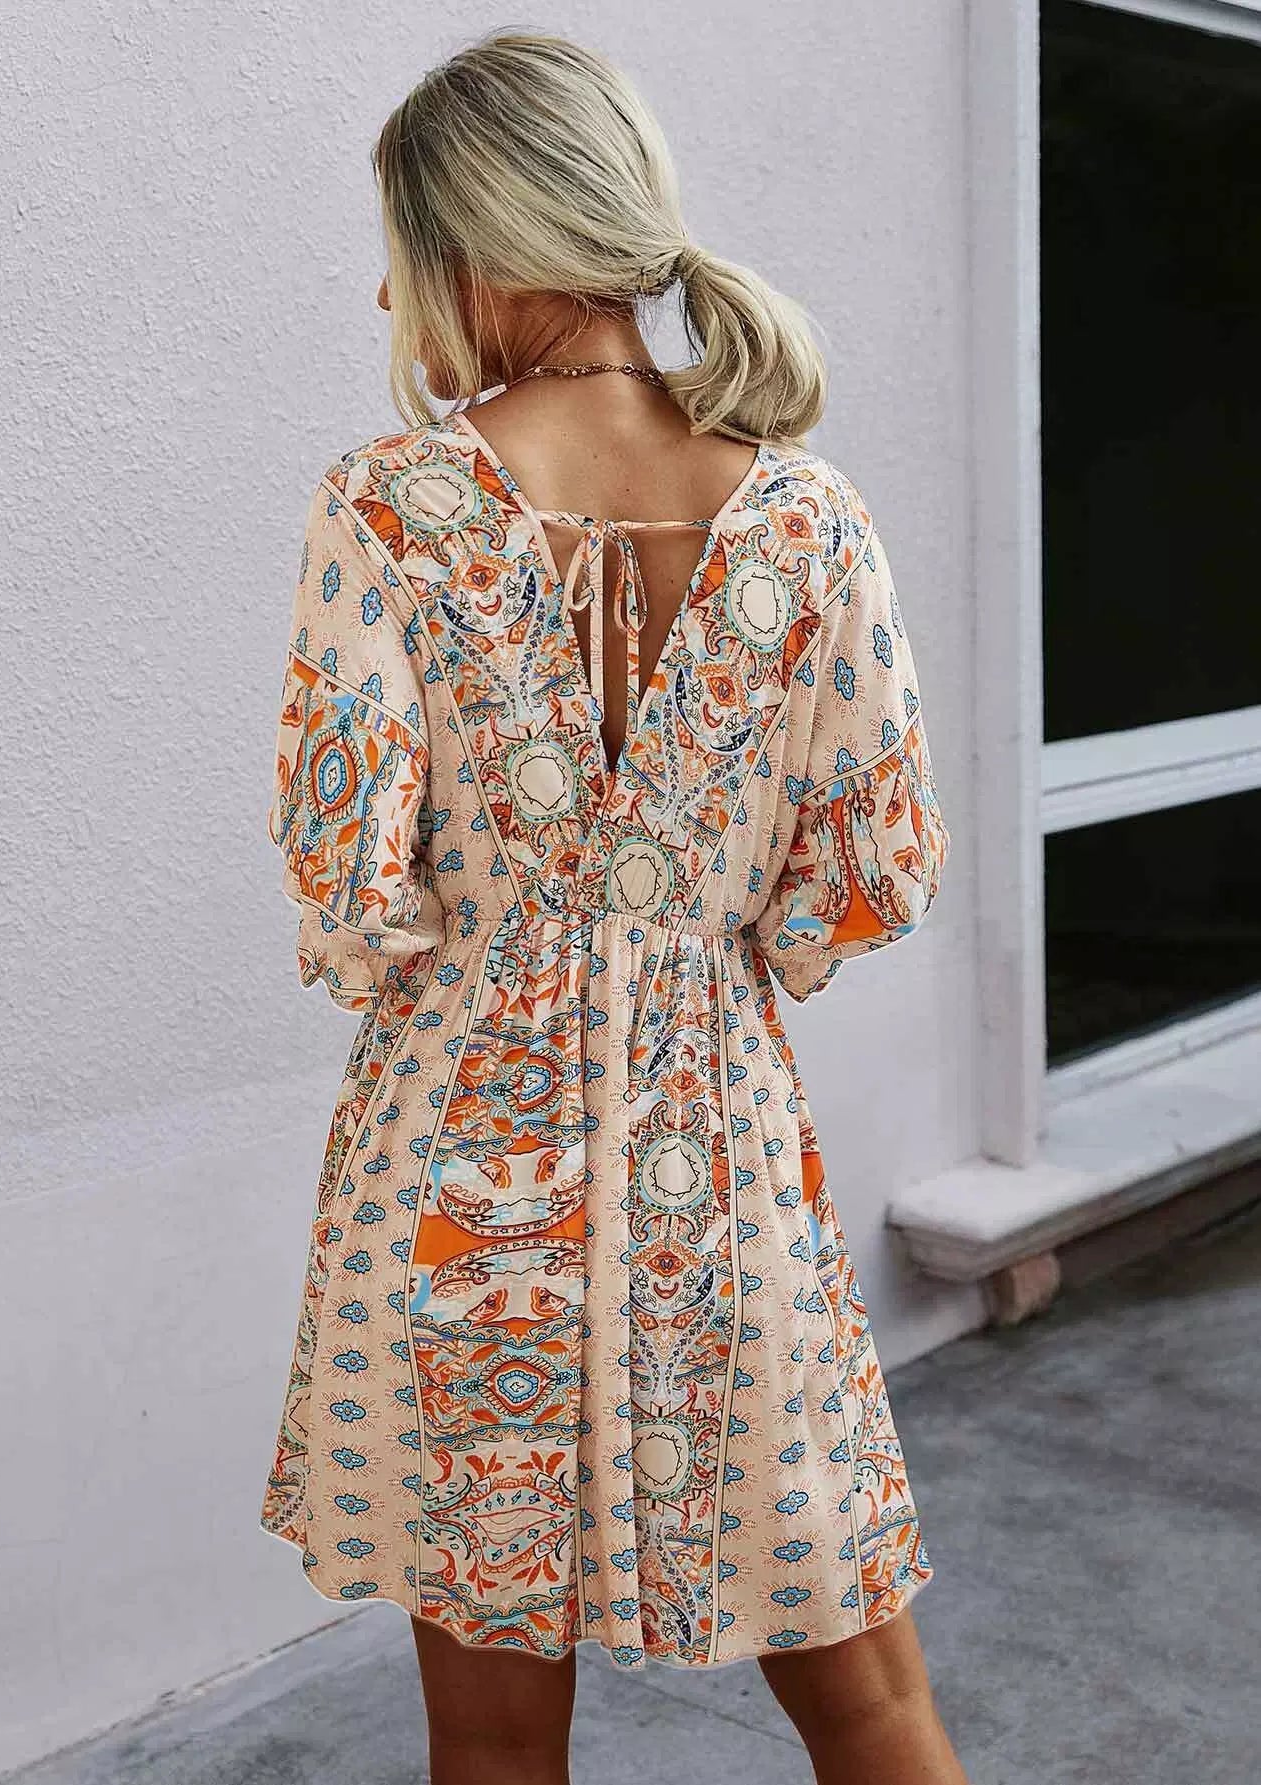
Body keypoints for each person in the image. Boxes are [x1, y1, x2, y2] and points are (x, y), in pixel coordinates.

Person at [260, 29, 962, 1785]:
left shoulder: (390, 509)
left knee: (493, 1749)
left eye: (406, 254)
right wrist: (715, 937)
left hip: (455, 1186)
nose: (390, 297)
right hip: (721, 1171)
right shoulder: (807, 520)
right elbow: (871, 865)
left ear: (479, 251)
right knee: (874, 1707)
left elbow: (348, 877)